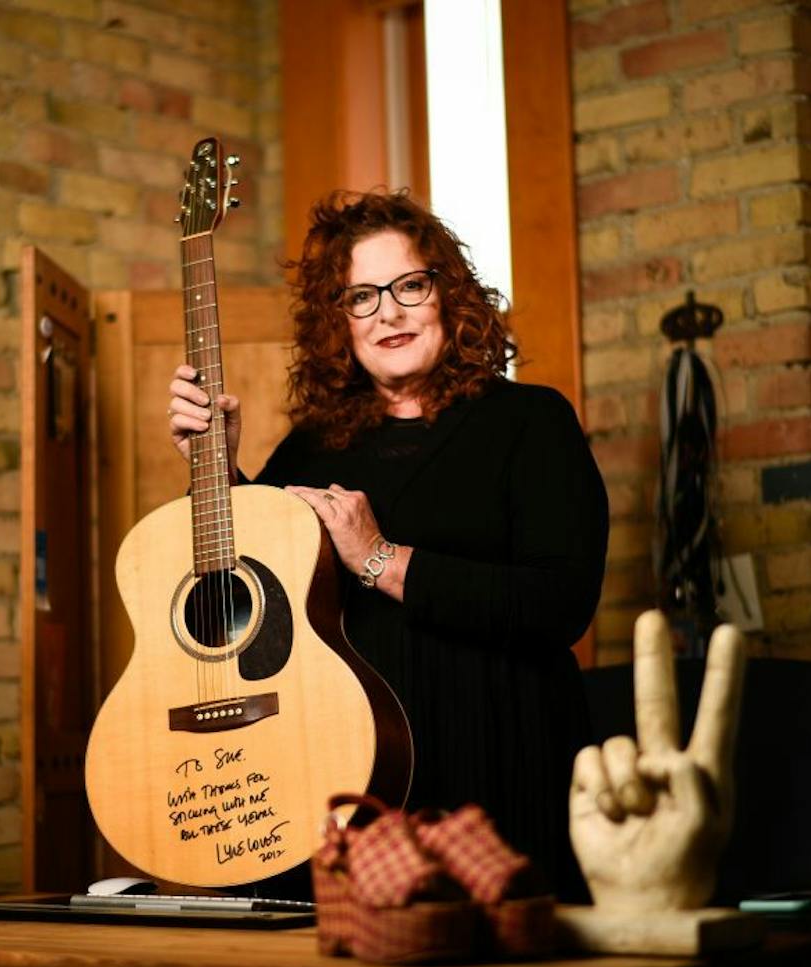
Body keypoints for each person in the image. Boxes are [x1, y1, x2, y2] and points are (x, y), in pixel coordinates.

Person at [166, 191, 608, 899]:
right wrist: (218, 468)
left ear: (448, 295)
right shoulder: (313, 446)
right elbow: (247, 604)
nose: (389, 313)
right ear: (338, 322)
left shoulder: (530, 422)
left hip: (498, 765)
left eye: (409, 286)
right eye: (361, 297)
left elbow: (560, 604)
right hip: (351, 781)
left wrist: (379, 558)